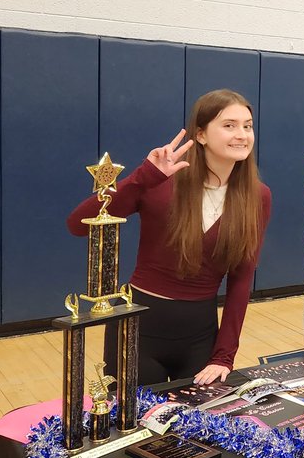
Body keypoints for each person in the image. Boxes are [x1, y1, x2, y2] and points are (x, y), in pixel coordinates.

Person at [66, 90, 271, 386]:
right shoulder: (159, 182)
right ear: (200, 135)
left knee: (199, 428)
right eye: (229, 125)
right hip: (138, 330)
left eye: (247, 126)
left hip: (200, 336)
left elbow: (241, 279)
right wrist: (142, 178)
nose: (241, 135)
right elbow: (77, 224)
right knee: (132, 426)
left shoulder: (258, 197)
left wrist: (223, 355)